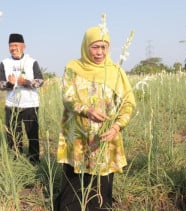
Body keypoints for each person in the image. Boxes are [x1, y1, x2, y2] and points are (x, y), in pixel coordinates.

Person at [55, 26, 136, 210]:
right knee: (74, 184)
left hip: (104, 139)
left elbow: (128, 104)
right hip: (77, 137)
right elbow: (67, 98)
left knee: (101, 187)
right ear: (86, 46)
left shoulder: (115, 71)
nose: (100, 52)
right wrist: (86, 110)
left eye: (104, 47)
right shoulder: (73, 68)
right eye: (95, 47)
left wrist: (116, 127)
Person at [0, 33, 44, 164]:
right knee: (13, 135)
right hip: (11, 105)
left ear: (24, 46)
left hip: (30, 104)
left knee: (32, 134)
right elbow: (0, 84)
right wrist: (9, 84)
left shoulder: (32, 62)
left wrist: (27, 82)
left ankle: (34, 161)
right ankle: (16, 160)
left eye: (16, 45)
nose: (13, 48)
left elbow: (40, 81)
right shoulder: (4, 63)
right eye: (11, 46)